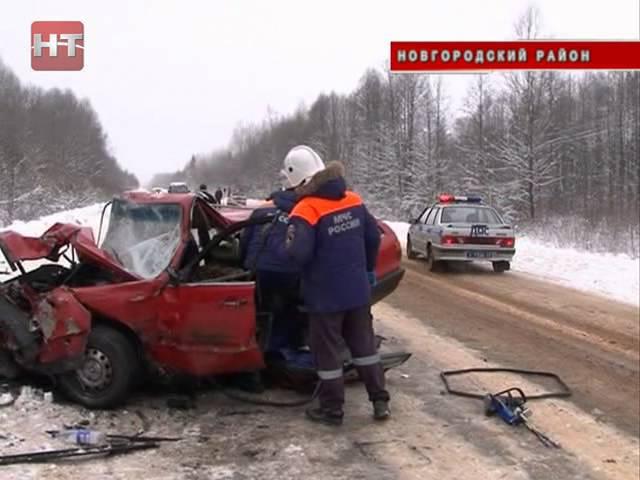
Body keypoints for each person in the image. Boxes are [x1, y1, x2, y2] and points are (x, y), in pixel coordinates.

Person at [281, 145, 390, 426]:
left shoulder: (305, 210)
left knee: (327, 355)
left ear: (297, 180)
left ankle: (332, 410)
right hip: (357, 292)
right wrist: (366, 269)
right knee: (364, 348)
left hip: (324, 297)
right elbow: (373, 238)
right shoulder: (353, 200)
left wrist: (288, 247)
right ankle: (379, 401)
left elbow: (298, 254)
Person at [239, 188, 302, 352]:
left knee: (261, 310)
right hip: (289, 272)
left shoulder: (261, 210)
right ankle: (282, 349)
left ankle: (261, 348)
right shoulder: (301, 211)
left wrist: (243, 264)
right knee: (288, 311)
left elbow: (244, 241)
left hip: (258, 270)